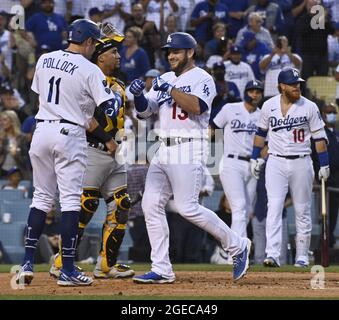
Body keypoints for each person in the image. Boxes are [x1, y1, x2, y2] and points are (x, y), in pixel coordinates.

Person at [129, 32, 251, 283]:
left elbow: (197, 107)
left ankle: (237, 245)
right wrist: (140, 97)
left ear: (190, 52)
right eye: (169, 52)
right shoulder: (164, 78)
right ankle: (161, 268)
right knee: (150, 204)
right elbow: (145, 112)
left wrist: (170, 89)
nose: (171, 55)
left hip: (188, 147)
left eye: (176, 51)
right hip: (162, 147)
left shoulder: (202, 78)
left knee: (188, 208)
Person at [16, 19, 119, 287]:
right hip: (69, 134)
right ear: (88, 41)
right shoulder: (90, 68)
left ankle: (27, 262)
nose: (94, 47)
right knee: (72, 202)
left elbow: (41, 93)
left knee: (41, 198)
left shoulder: (44, 59)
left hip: (41, 132)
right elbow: (108, 106)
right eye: (94, 43)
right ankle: (69, 270)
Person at [49, 23, 135, 280]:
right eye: (114, 52)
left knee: (121, 204)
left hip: (115, 152)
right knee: (85, 205)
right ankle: (60, 262)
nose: (119, 56)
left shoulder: (119, 83)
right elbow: (84, 116)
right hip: (91, 148)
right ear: (100, 55)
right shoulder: (84, 77)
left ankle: (106, 265)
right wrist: (108, 139)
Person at [250, 67, 330, 267]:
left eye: (298, 84)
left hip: (302, 160)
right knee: (274, 207)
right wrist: (255, 158)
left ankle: (302, 256)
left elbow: (319, 138)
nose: (297, 87)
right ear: (281, 86)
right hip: (275, 161)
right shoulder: (269, 106)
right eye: (293, 84)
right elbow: (261, 134)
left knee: (303, 209)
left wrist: (324, 163)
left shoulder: (309, 106)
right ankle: (272, 254)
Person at [212, 80, 263, 239]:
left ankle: (235, 247)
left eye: (258, 91)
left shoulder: (262, 115)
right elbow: (212, 129)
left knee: (247, 210)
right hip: (231, 162)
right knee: (239, 207)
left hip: (252, 163)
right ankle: (237, 252)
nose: (254, 94)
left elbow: (266, 143)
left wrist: (262, 159)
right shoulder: (230, 108)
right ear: (245, 93)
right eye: (251, 91)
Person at [311, 103, 339, 248]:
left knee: (334, 214)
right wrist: (316, 174)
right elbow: (314, 155)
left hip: (337, 181)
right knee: (325, 214)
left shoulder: (337, 132)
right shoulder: (319, 132)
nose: (331, 114)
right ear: (322, 114)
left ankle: (331, 240)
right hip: (325, 180)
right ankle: (325, 243)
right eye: (328, 112)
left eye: (334, 111)